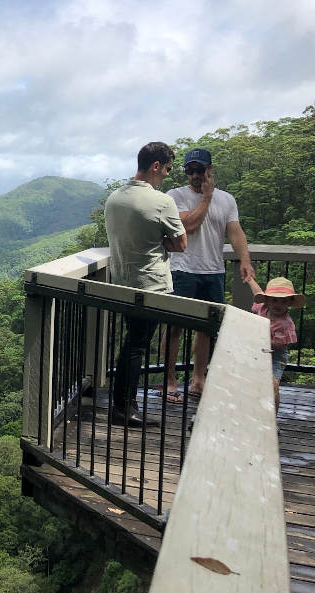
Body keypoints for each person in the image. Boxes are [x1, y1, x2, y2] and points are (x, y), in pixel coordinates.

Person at [104, 142, 187, 427]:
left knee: (132, 342)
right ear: (155, 166)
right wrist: (160, 242)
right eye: (166, 169)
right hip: (151, 284)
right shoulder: (161, 201)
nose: (166, 175)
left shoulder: (114, 198)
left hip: (123, 281)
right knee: (137, 345)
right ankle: (124, 407)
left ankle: (123, 404)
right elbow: (181, 243)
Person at [161, 148, 254, 401]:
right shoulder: (174, 196)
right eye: (189, 170)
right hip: (182, 270)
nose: (195, 175)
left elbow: (235, 231)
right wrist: (206, 198)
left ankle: (199, 378)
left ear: (210, 170)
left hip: (214, 271)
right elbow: (188, 226)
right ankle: (169, 379)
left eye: (199, 169)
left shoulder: (227, 199)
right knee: (174, 326)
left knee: (207, 328)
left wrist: (245, 260)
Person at [246, 276, 305, 413]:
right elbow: (257, 291)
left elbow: (279, 345)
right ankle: (254, 412)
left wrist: (257, 339)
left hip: (276, 356)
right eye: (274, 300)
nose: (278, 304)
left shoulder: (286, 323)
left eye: (283, 301)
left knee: (273, 385)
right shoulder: (262, 307)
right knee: (253, 383)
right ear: (267, 300)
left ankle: (272, 419)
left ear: (289, 303)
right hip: (259, 351)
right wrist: (250, 279)